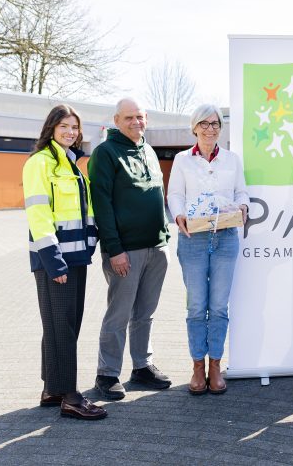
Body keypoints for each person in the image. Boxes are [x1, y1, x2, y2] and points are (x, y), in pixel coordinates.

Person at [22, 105, 106, 420]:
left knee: (62, 324)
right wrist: (54, 263)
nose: (70, 132)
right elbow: (38, 215)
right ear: (51, 128)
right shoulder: (39, 163)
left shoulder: (70, 164)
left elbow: (83, 210)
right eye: (64, 126)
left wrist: (91, 241)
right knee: (63, 327)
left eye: (74, 127)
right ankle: (70, 397)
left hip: (76, 257)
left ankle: (53, 389)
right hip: (56, 260)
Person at [88, 98, 172, 399]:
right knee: (119, 313)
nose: (136, 122)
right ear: (116, 120)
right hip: (125, 251)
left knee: (145, 313)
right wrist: (115, 249)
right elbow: (102, 205)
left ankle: (142, 366)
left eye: (140, 117)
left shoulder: (147, 150)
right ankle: (107, 373)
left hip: (156, 247)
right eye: (129, 118)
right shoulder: (105, 153)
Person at [167, 104, 249, 395]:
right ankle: (197, 367)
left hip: (225, 237)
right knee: (196, 306)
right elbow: (175, 194)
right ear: (195, 127)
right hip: (194, 240)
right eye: (205, 123)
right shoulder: (181, 160)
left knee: (218, 307)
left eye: (216, 123)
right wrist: (178, 216)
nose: (211, 128)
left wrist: (242, 206)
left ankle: (215, 365)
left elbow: (241, 192)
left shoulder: (232, 159)